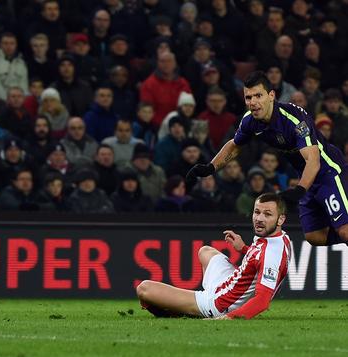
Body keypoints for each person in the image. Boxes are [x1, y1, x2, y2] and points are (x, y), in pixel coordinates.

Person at [187, 71, 348, 246]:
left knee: (345, 231)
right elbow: (235, 145)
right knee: (314, 237)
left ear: (271, 95)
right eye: (248, 98)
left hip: (328, 173)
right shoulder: (249, 121)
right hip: (307, 180)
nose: (253, 102)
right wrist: (210, 168)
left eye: (258, 95)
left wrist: (299, 190)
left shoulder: (294, 120)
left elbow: (313, 161)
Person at [137, 193, 291, 320]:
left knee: (144, 289)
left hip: (221, 303)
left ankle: (188, 310)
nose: (259, 219)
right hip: (228, 282)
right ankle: (189, 302)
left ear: (281, 219)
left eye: (267, 214)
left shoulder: (271, 254)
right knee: (205, 252)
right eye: (257, 212)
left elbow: (262, 301)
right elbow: (261, 260)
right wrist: (244, 248)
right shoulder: (280, 237)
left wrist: (228, 318)